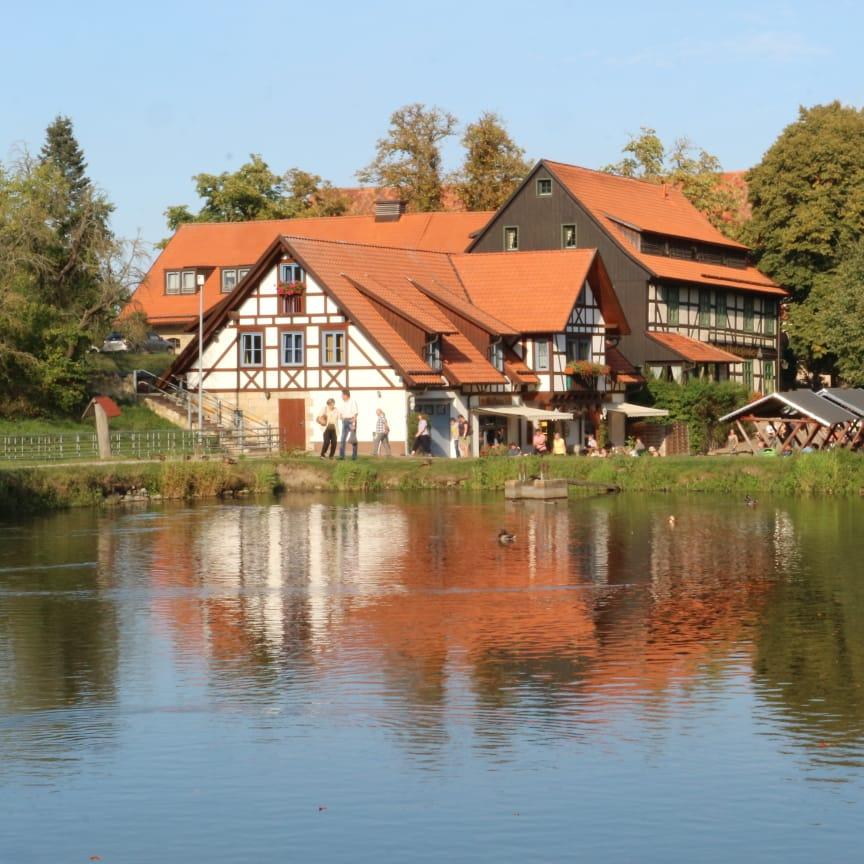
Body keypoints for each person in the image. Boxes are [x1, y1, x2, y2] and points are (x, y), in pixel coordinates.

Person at [338, 389, 359, 460]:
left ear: (346, 395)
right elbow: (340, 412)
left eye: (342, 395)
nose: (341, 396)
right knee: (342, 438)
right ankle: (341, 456)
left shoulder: (352, 402)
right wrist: (341, 417)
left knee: (353, 439)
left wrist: (353, 422)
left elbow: (355, 413)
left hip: (351, 420)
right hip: (344, 421)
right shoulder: (342, 403)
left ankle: (354, 456)